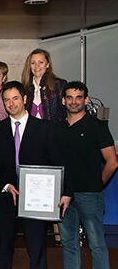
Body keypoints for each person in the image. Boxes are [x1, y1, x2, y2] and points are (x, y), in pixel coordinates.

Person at [0, 81, 70, 269]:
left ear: (24, 99)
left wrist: (66, 192)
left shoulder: (45, 128)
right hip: (6, 198)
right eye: (7, 100)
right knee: (3, 251)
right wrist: (5, 185)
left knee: (37, 249)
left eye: (15, 98)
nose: (11, 103)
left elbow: (59, 162)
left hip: (36, 200)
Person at [57, 82, 117, 269]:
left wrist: (97, 184)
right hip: (63, 195)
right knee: (68, 244)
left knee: (96, 243)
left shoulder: (97, 126)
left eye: (79, 97)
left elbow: (112, 161)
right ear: (63, 100)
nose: (74, 102)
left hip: (90, 195)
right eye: (69, 97)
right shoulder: (57, 127)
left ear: (86, 100)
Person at [21, 48, 67, 122]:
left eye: (41, 62)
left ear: (48, 64)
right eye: (33, 63)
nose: (37, 66)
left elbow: (65, 113)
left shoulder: (59, 85)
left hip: (53, 128)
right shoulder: (24, 87)